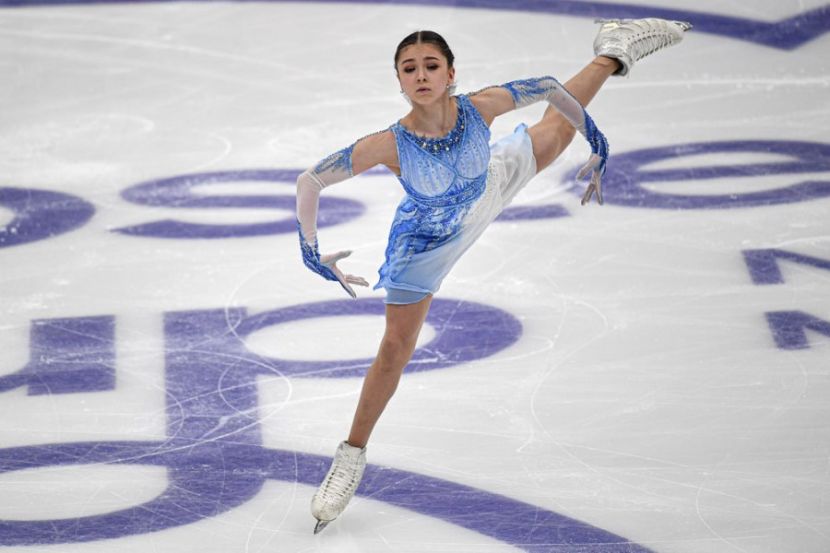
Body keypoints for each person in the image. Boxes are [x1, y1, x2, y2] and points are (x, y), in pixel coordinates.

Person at [295, 18, 692, 533]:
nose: (420, 75)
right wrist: (312, 251)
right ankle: (350, 458)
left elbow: (549, 88)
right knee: (395, 348)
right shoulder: (389, 143)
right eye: (409, 68)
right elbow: (312, 180)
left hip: (489, 185)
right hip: (428, 244)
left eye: (431, 65)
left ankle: (615, 47)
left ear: (450, 72)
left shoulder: (481, 107)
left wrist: (597, 140)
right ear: (399, 80)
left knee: (557, 127)